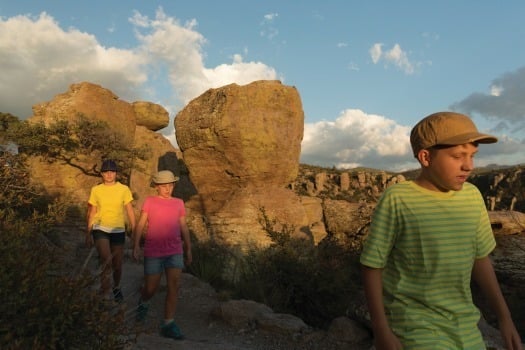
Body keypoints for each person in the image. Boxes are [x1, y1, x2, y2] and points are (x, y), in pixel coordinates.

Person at [360, 112, 523, 350]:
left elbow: (480, 259)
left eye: (472, 156)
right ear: (426, 157)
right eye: (458, 156)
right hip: (415, 327)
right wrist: (381, 330)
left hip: (465, 325)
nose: (468, 165)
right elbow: (372, 265)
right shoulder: (398, 199)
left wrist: (505, 318)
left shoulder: (472, 196)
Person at [133, 170, 192, 340]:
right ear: (157, 187)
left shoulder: (179, 203)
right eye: (164, 186)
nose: (168, 189)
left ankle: (168, 323)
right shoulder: (150, 202)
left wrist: (188, 248)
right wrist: (136, 245)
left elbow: (183, 227)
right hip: (154, 251)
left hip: (174, 251)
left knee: (174, 286)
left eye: (171, 185)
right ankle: (144, 302)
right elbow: (141, 223)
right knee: (151, 289)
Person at [86, 159, 136, 303]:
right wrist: (88, 232)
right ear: (101, 174)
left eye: (112, 172)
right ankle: (105, 292)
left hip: (118, 229)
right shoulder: (96, 190)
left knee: (117, 264)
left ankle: (116, 287)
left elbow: (130, 210)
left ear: (116, 173)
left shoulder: (123, 189)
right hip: (100, 227)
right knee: (106, 260)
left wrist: (134, 229)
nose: (109, 175)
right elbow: (92, 212)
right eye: (106, 172)